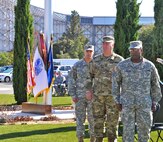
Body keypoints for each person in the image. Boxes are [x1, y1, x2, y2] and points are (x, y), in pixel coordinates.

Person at [112, 40, 162, 142]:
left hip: (144, 105)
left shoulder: (149, 66)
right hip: (127, 105)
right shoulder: (122, 66)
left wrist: (155, 102)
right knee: (127, 133)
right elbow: (115, 84)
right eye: (132, 49)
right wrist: (117, 101)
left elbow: (155, 85)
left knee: (144, 133)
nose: (134, 51)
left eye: (136, 49)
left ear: (141, 50)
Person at [86, 36, 124, 142]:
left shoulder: (120, 61)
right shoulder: (96, 60)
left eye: (108, 43)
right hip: (98, 97)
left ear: (113, 44)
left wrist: (123, 95)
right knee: (97, 123)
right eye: (103, 43)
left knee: (112, 124)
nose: (105, 45)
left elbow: (124, 79)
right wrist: (88, 90)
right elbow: (88, 76)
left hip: (113, 97)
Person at [68, 45, 95, 142]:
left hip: (93, 97)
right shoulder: (77, 65)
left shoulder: (96, 65)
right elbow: (71, 80)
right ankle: (80, 139)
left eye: (91, 51)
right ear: (84, 52)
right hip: (80, 97)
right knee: (80, 120)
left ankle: (93, 139)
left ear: (93, 52)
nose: (89, 53)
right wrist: (73, 95)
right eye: (87, 51)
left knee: (93, 119)